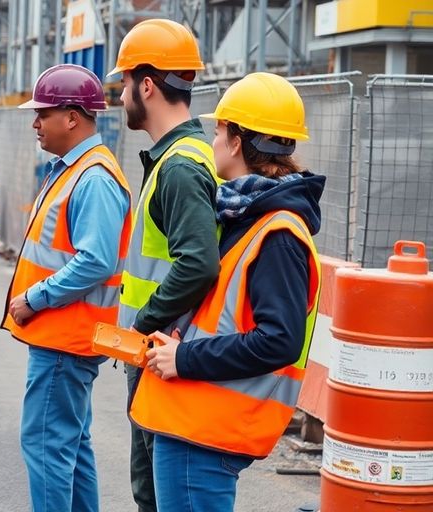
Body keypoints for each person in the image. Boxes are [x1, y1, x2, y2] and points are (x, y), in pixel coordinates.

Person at [132, 72, 324, 512]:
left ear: (237, 141)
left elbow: (279, 339)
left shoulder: (277, 232)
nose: (212, 140)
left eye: (218, 130)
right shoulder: (247, 215)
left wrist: (185, 358)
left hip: (206, 428)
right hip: (195, 420)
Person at [2, 64, 133, 512]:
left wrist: (33, 299)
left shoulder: (93, 177)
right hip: (67, 336)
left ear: (73, 117)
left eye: (43, 114)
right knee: (69, 447)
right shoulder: (74, 169)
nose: (35, 123)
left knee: (45, 448)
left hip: (64, 337)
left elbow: (93, 261)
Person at [108, 19, 223, 511]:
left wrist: (143, 322)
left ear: (147, 85)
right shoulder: (181, 157)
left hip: (159, 350)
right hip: (160, 349)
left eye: (124, 85)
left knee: (154, 493)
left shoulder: (178, 166)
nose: (120, 97)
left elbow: (198, 264)